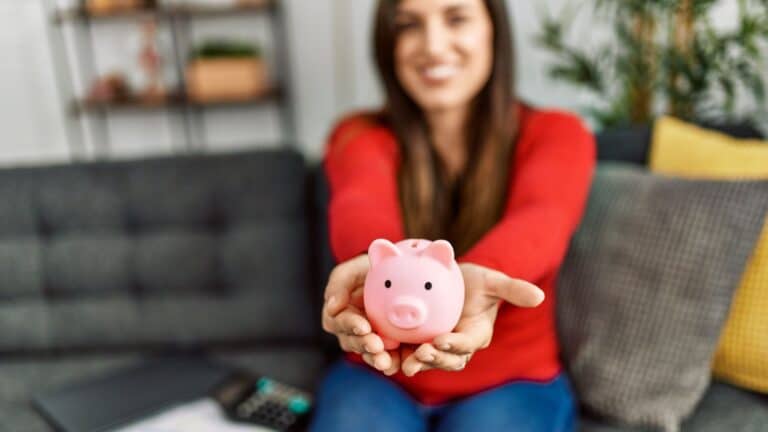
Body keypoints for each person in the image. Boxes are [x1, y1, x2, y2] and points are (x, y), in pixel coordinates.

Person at [311, 0, 595, 430]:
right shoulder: (357, 136)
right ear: (389, 45)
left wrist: (475, 277)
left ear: (493, 31)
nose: (433, 45)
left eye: (456, 18)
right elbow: (359, 205)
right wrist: (373, 264)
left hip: (511, 381)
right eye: (409, 25)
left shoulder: (557, 134)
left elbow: (542, 220)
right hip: (376, 378)